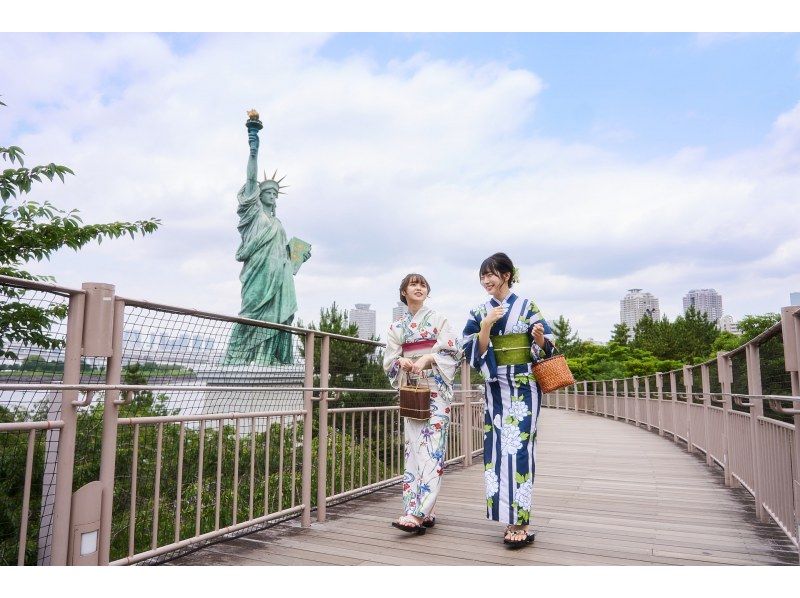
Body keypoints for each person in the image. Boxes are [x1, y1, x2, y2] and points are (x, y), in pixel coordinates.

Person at [462, 252, 555, 547]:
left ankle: (520, 521)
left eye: (491, 274)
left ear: (506, 275)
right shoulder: (480, 311)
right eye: (482, 276)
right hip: (495, 386)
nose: (486, 280)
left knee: (521, 449)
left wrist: (539, 339)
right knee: (496, 450)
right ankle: (505, 517)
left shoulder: (527, 306)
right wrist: (487, 324)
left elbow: (549, 345)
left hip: (524, 385)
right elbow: (471, 351)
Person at [383, 273, 461, 534]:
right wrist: (400, 362)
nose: (419, 287)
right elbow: (390, 359)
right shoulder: (396, 327)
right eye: (413, 284)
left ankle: (417, 513)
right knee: (414, 452)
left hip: (435, 390)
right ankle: (423, 509)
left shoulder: (439, 320)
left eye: (423, 284)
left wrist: (429, 357)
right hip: (413, 390)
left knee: (432, 450)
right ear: (403, 291)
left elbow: (452, 350)